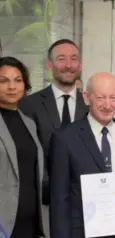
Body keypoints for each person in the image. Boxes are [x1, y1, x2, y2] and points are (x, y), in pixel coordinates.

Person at [49, 72, 115, 238]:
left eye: (113, 98)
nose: (107, 105)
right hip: (80, 232)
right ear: (86, 97)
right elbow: (59, 201)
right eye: (100, 98)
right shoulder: (65, 138)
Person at [19, 39, 88, 210]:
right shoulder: (29, 105)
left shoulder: (91, 105)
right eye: (61, 59)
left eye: (73, 59)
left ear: (80, 65)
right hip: (42, 199)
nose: (68, 65)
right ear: (50, 65)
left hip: (85, 199)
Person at [0, 57, 45, 238]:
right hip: (4, 222)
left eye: (18, 80)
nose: (12, 87)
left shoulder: (29, 122)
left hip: (30, 221)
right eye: (4, 81)